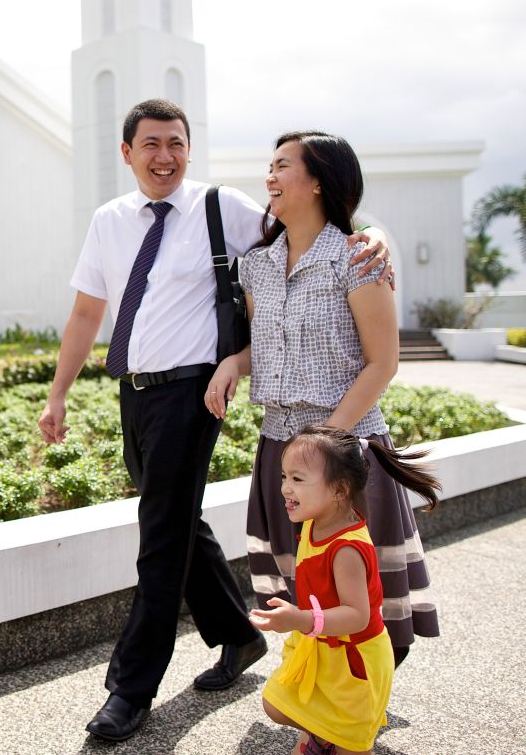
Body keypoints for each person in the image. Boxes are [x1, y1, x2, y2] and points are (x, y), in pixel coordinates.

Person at [38, 101, 392, 742]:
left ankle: (130, 688)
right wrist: (59, 393)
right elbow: (89, 313)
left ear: (189, 149)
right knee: (174, 517)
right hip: (135, 392)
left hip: (194, 392)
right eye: (150, 144)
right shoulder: (109, 221)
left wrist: (375, 235)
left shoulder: (219, 208)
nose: (164, 155)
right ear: (127, 153)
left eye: (176, 142)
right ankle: (236, 633)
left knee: (160, 537)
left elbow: (315, 217)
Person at [205, 130, 438, 671]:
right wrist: (230, 364)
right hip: (279, 452)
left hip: (344, 450)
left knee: (364, 596)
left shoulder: (356, 258)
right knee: (305, 588)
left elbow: (383, 363)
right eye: (270, 165)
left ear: (316, 182)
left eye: (282, 166)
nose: (270, 177)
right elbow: (266, 351)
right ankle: (329, 697)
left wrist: (325, 444)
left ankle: (358, 701)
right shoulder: (257, 266)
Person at [251, 424, 440, 755]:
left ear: (339, 490)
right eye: (284, 477)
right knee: (277, 705)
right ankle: (322, 734)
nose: (284, 488)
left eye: (297, 479)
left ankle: (329, 737)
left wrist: (301, 619)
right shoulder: (316, 520)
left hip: (354, 666)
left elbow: (356, 615)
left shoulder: (347, 549)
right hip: (323, 649)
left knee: (352, 746)